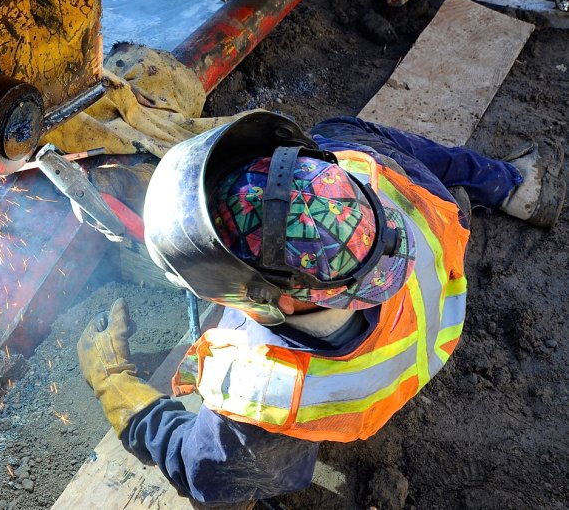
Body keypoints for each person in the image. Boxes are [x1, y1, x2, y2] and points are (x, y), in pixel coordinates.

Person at [76, 111, 565, 505]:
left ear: (278, 299)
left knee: (250, 471)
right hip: (433, 314)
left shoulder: (272, 397)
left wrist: (114, 383)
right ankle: (511, 185)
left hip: (370, 394)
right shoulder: (379, 177)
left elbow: (203, 471)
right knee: (337, 129)